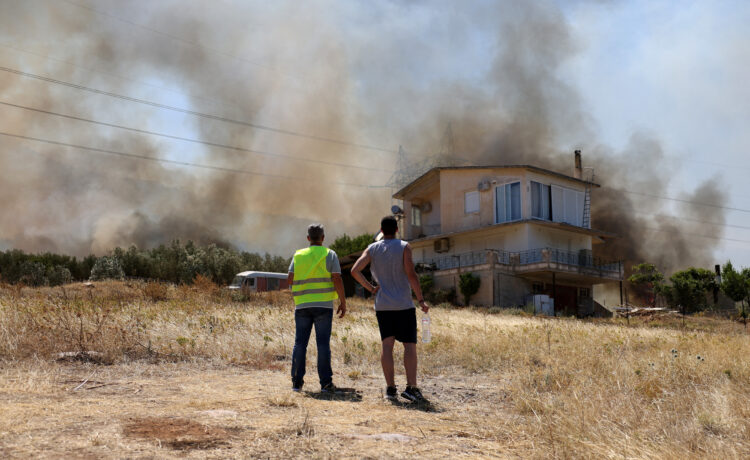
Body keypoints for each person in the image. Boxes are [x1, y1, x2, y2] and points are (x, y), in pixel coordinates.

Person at [351, 216, 430, 404]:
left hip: (383, 305)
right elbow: (411, 274)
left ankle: (390, 389)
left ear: (381, 229)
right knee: (409, 346)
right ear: (396, 229)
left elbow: (354, 270)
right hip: (403, 304)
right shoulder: (404, 246)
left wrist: (371, 288)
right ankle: (411, 387)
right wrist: (420, 300)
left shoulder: (372, 248)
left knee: (387, 346)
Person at [288, 223, 346, 393]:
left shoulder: (298, 255)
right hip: (324, 305)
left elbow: (290, 278)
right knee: (322, 345)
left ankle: (296, 383)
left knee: (300, 344)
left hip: (302, 305)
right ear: (323, 238)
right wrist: (343, 301)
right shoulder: (330, 254)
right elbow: (337, 278)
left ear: (308, 239)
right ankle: (326, 385)